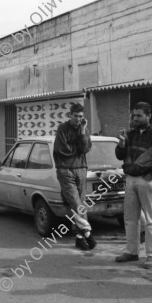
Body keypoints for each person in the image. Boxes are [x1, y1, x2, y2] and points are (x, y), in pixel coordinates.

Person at [115, 102, 152, 269]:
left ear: (149, 116)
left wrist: (149, 175)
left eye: (139, 115)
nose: (135, 118)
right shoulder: (130, 134)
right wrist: (122, 143)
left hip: (147, 181)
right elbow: (119, 156)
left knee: (151, 220)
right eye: (134, 116)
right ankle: (131, 252)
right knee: (130, 218)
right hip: (130, 179)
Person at [53, 103, 95, 250]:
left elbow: (85, 148)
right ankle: (88, 232)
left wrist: (82, 132)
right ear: (70, 115)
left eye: (81, 117)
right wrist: (78, 150)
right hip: (65, 170)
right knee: (77, 203)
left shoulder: (84, 129)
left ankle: (79, 237)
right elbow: (63, 149)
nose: (78, 119)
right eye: (76, 116)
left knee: (79, 204)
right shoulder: (62, 129)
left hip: (81, 170)